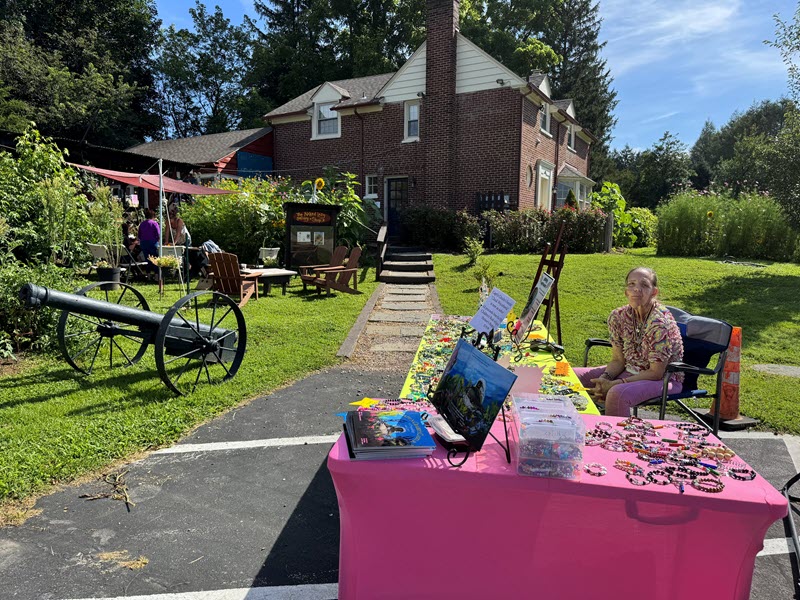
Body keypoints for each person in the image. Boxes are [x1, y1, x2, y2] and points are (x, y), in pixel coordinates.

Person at [573, 267, 684, 417]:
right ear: (626, 291)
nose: (636, 289)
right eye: (631, 284)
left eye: (644, 285)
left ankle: (617, 438)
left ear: (654, 292)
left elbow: (656, 373)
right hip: (628, 371)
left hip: (664, 380)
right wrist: (604, 380)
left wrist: (615, 384)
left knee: (616, 394)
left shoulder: (660, 324)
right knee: (569, 377)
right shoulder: (617, 317)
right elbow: (618, 360)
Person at [137, 208, 161, 274]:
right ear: (153, 216)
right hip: (153, 242)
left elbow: (139, 235)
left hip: (144, 243)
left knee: (148, 259)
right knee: (155, 258)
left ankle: (148, 274)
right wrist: (158, 241)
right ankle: (156, 274)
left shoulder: (142, 224)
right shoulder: (154, 223)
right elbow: (158, 234)